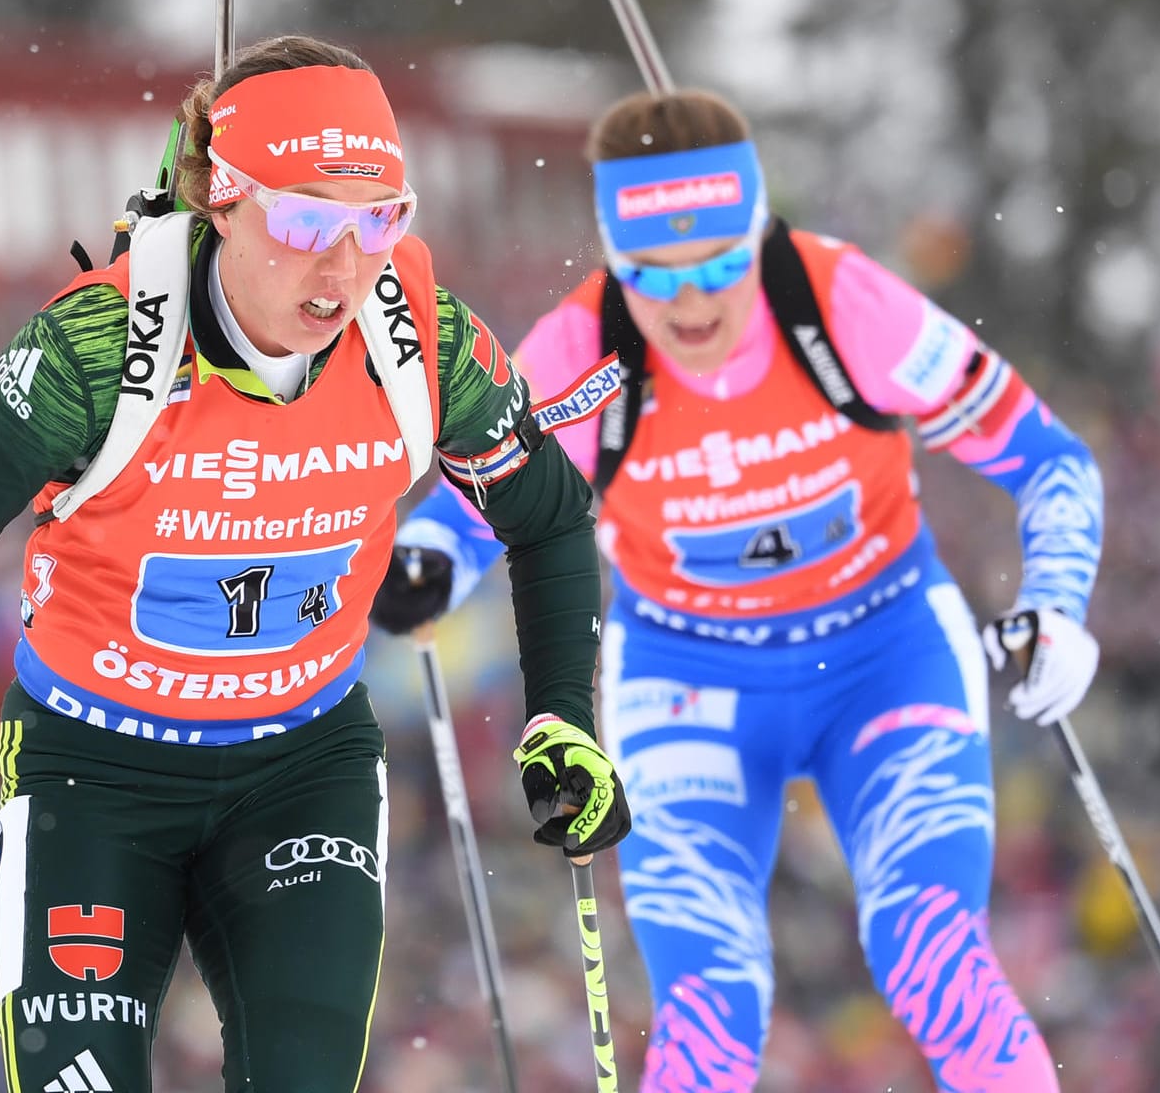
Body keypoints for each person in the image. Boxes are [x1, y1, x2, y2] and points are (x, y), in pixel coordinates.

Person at [0, 34, 630, 1093]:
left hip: (300, 772)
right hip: (93, 770)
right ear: (222, 198)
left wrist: (562, 714)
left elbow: (553, 518)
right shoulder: (96, 352)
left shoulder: (420, 339)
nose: (342, 265)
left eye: (377, 221)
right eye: (304, 219)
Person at [373, 89, 1105, 1091]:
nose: (691, 303)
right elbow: (468, 508)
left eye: (720, 262)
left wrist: (1059, 604)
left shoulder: (844, 304)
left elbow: (1047, 457)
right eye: (651, 274)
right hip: (689, 676)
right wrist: (423, 565)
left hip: (883, 653)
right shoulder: (586, 349)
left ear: (758, 234)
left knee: (932, 958)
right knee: (712, 1007)